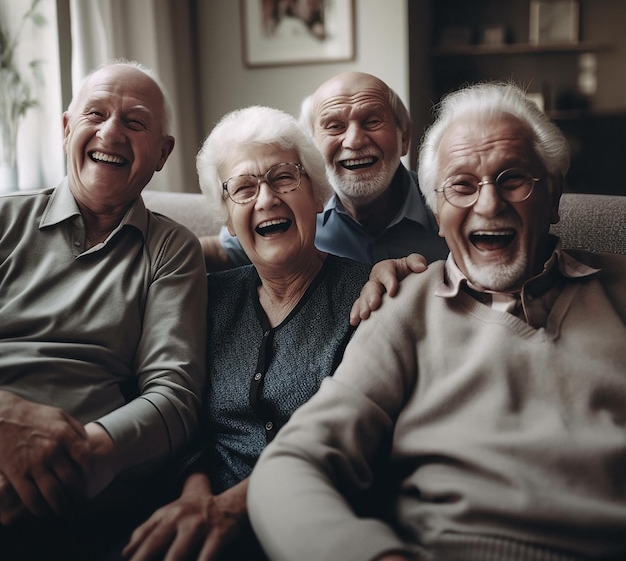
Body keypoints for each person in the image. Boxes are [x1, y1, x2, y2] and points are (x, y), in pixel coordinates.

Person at [247, 81, 626, 561]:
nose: (488, 205)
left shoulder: (618, 288)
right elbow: (291, 463)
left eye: (512, 179)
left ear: (552, 194)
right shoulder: (404, 305)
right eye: (462, 185)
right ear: (437, 210)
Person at [122, 106, 372, 561]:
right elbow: (185, 423)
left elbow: (353, 443)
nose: (266, 199)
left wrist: (234, 508)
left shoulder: (367, 297)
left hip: (313, 528)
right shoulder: (207, 299)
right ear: (226, 214)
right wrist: (198, 499)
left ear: (317, 195)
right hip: (196, 517)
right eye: (243, 188)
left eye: (283, 178)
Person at [0, 60, 207, 559]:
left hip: (85, 488)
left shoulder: (172, 249)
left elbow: (175, 396)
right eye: (95, 114)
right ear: (68, 128)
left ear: (162, 153)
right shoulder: (5, 221)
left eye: (135, 122)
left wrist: (89, 453)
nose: (111, 131)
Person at [200, 72, 448, 270]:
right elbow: (220, 252)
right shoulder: (293, 210)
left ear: (404, 138)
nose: (354, 141)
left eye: (372, 122)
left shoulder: (448, 205)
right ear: (312, 148)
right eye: (334, 126)